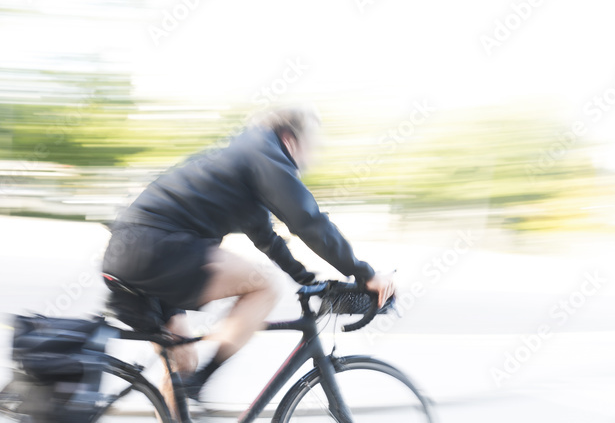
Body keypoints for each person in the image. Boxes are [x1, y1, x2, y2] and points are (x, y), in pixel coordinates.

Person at [102, 106, 395, 405]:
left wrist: (308, 279)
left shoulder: (240, 160)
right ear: (289, 139)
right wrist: (365, 274)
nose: (309, 159)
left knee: (181, 365)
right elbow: (307, 220)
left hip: (126, 255)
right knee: (265, 286)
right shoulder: (264, 151)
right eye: (310, 147)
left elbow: (267, 239)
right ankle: (205, 379)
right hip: (155, 248)